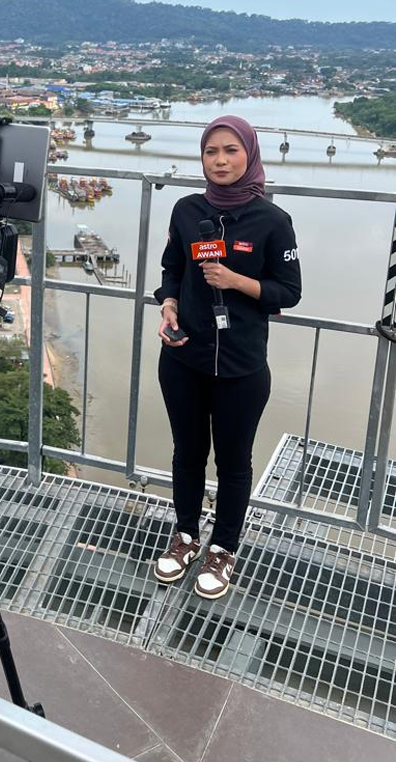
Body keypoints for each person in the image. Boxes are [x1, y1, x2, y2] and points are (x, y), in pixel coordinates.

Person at [153, 116, 301, 600]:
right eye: (211, 151)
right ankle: (187, 536)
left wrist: (235, 281)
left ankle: (224, 549)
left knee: (234, 462)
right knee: (186, 453)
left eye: (231, 151)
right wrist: (169, 303)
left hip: (241, 365)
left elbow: (290, 292)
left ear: (250, 155)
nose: (220, 160)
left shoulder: (272, 221)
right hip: (183, 357)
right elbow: (172, 267)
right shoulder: (186, 209)